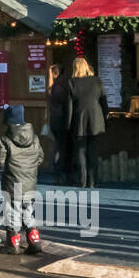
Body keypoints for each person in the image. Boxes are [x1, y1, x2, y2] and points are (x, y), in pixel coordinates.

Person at [0, 105, 45, 254]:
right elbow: (40, 158)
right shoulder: (34, 138)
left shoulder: (5, 139)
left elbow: (0, 161)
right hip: (30, 183)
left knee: (12, 211)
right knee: (27, 210)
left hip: (12, 183)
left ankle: (13, 244)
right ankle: (34, 240)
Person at [67, 56, 108, 188]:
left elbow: (69, 107)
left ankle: (82, 180)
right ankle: (93, 181)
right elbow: (104, 101)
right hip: (95, 119)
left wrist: (68, 124)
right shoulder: (96, 81)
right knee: (92, 150)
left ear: (75, 68)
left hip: (79, 119)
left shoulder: (72, 82)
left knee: (80, 151)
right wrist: (106, 116)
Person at [47, 63, 72, 187]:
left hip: (54, 121)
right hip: (62, 120)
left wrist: (49, 72)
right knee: (63, 147)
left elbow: (49, 88)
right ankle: (61, 171)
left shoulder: (53, 87)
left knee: (58, 146)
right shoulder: (63, 86)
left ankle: (56, 170)